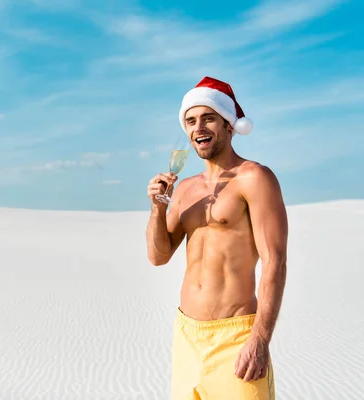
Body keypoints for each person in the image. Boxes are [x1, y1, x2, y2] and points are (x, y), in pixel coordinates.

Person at [146, 76, 288, 399]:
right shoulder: (184, 189)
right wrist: (156, 209)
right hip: (187, 339)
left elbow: (275, 262)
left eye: (209, 117)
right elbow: (158, 256)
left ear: (228, 125)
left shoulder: (254, 179)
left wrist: (260, 340)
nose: (199, 128)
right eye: (192, 121)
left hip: (236, 340)